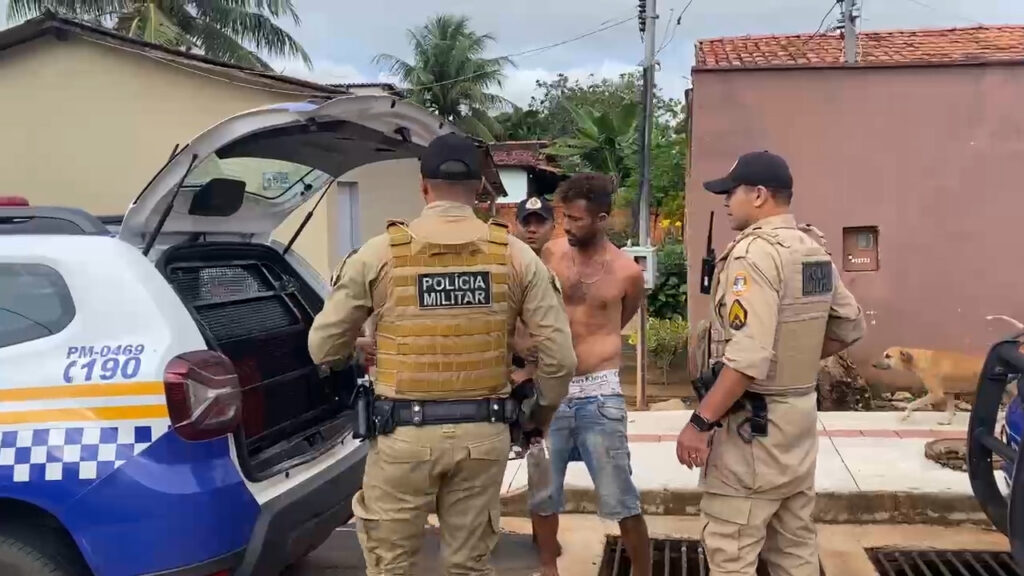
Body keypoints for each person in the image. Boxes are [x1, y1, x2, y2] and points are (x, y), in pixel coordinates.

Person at [307, 132, 578, 576]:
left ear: (423, 187)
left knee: (391, 568)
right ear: (480, 189)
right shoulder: (515, 256)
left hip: (401, 436)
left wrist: (356, 351)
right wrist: (537, 416)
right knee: (468, 567)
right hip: (483, 434)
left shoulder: (379, 253)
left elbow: (323, 348)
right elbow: (561, 359)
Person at [676, 151, 866, 576]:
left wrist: (701, 423)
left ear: (759, 195)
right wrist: (790, 360)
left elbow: (748, 357)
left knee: (731, 551)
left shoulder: (753, 255)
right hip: (797, 423)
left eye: (731, 192)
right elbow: (850, 325)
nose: (726, 202)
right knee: (794, 550)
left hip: (752, 430)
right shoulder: (810, 249)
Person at [529, 172, 651, 576]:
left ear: (601, 219)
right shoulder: (550, 253)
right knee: (543, 494)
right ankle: (548, 568)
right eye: (564, 217)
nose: (566, 225)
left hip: (600, 394)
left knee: (621, 498)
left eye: (576, 219)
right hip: (552, 392)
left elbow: (620, 320)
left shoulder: (627, 272)